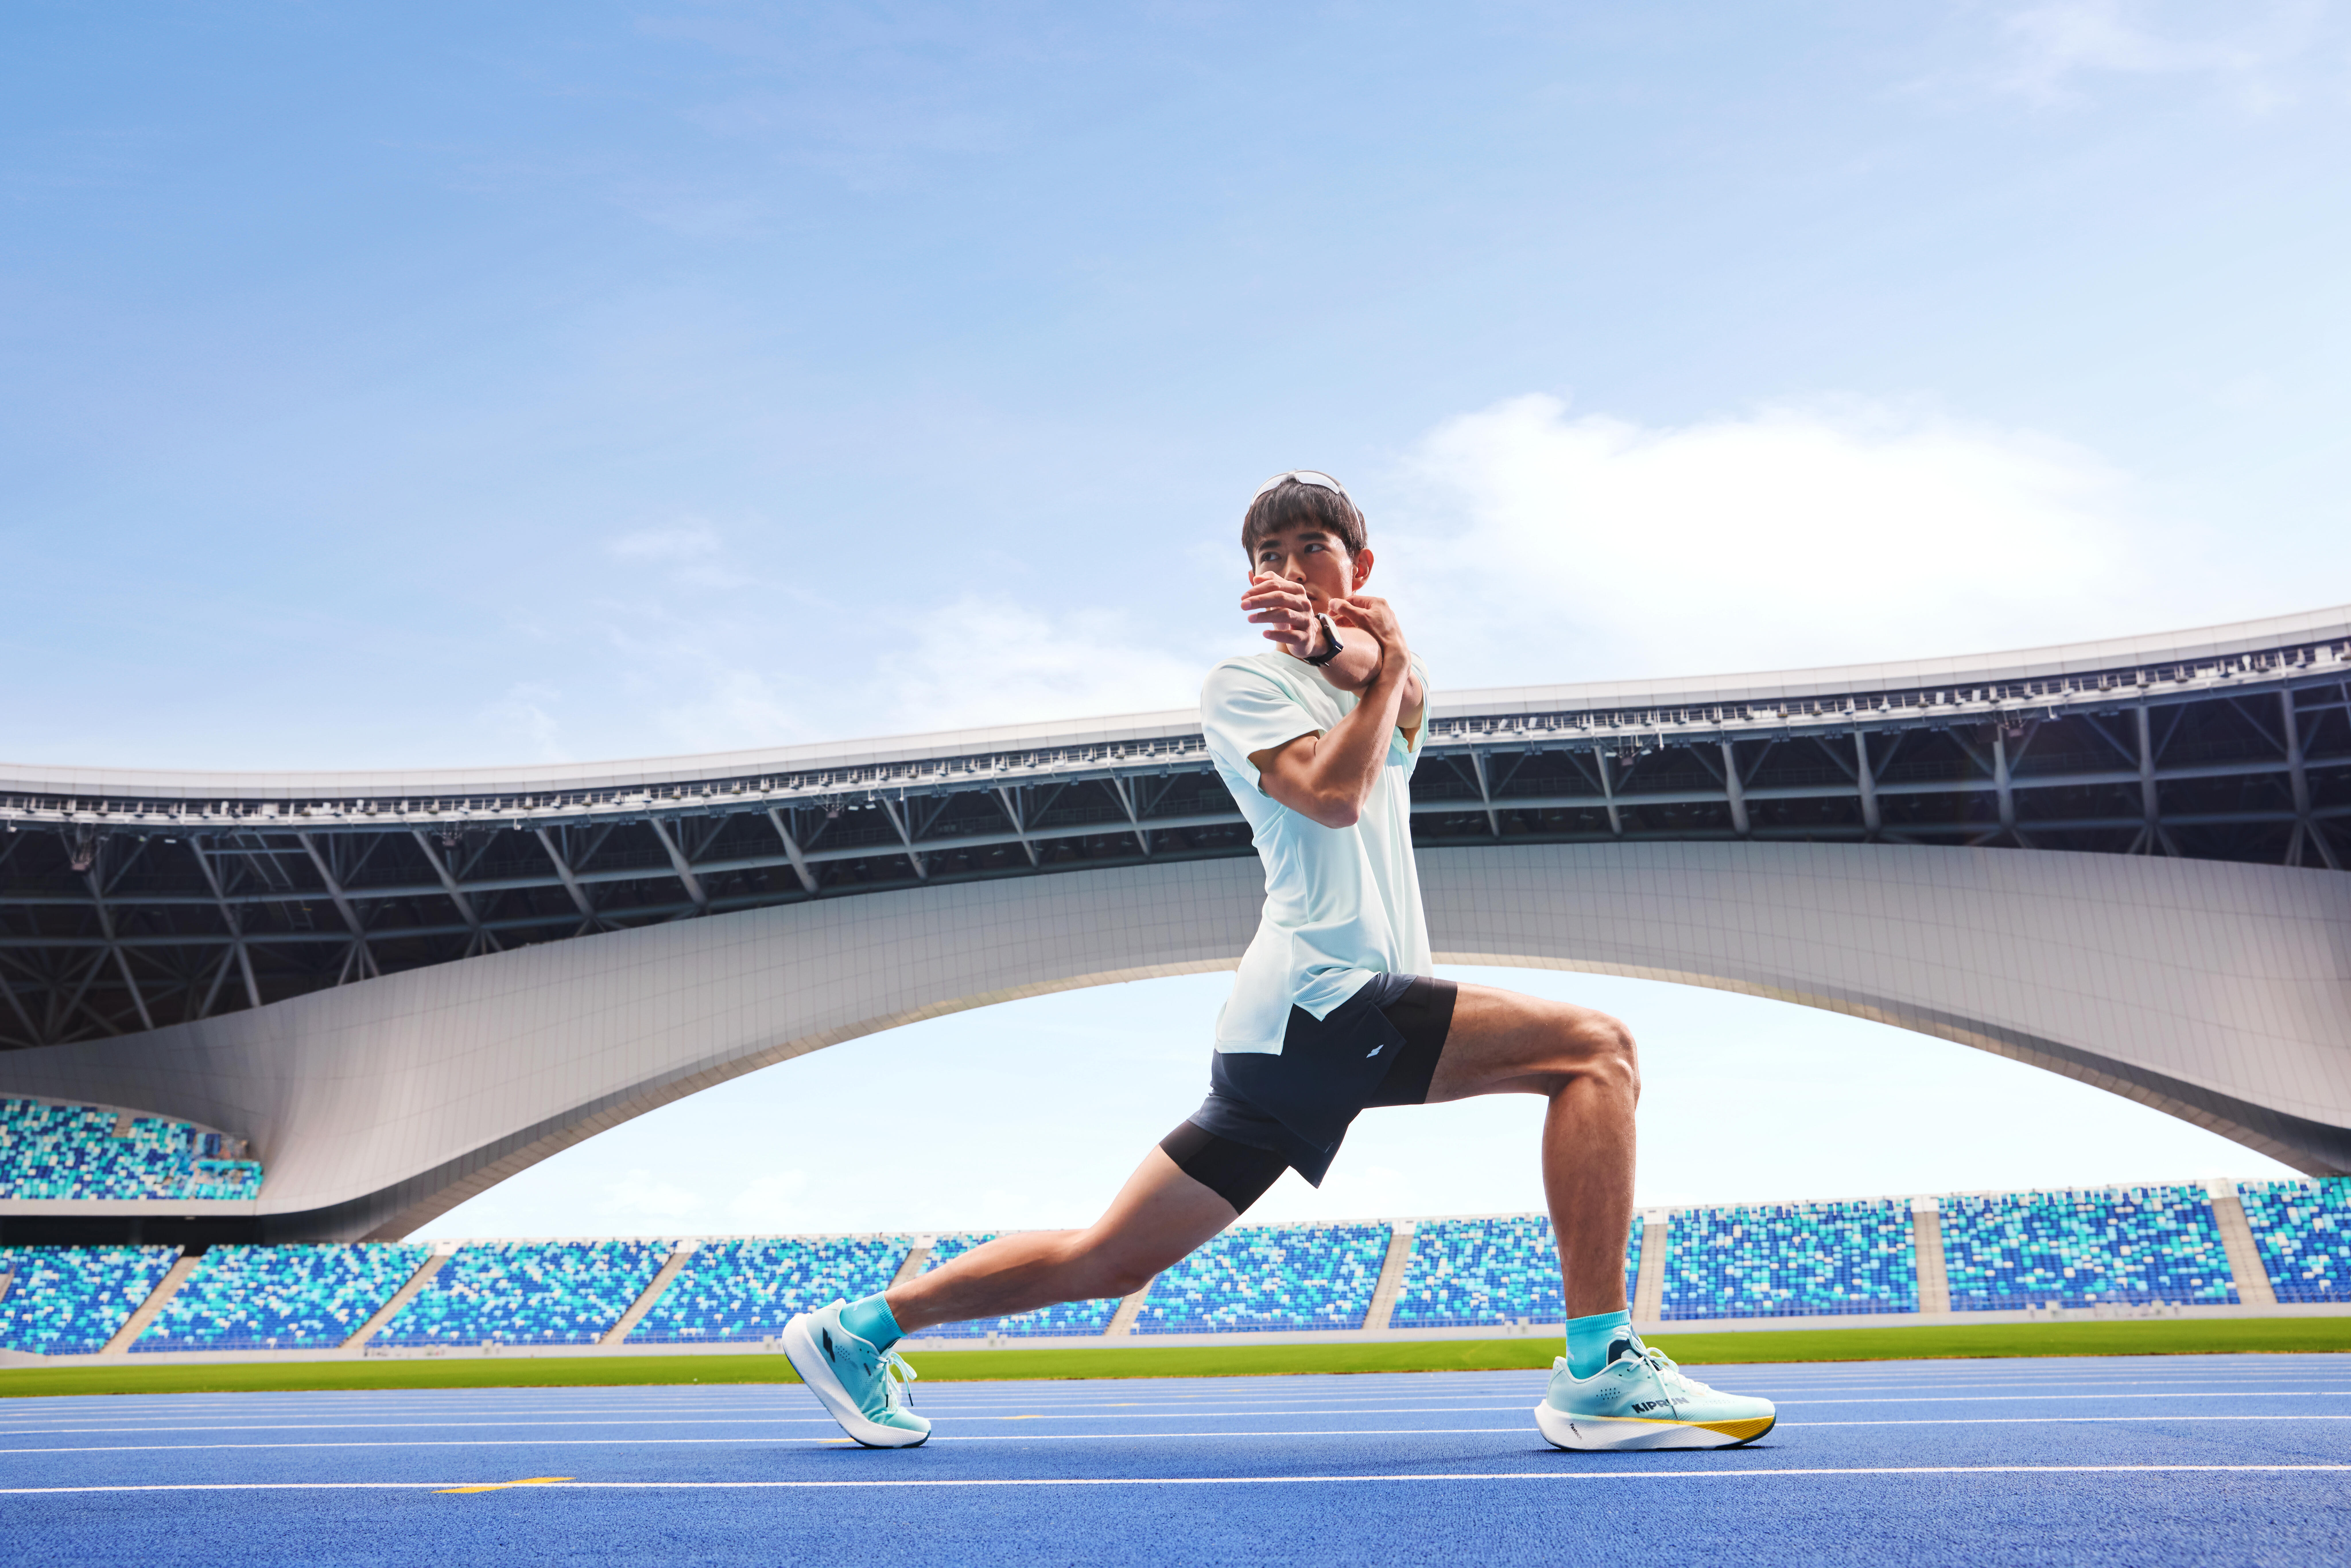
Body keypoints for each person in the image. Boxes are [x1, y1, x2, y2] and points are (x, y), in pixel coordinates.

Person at [780, 469, 1776, 1452]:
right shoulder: (1243, 684)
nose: (1290, 567)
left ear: (1361, 565)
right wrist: (1367, 658)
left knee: (1111, 1258)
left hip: (1290, 1035)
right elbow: (1334, 796)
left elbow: (1393, 678)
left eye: (1313, 548)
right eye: (1270, 555)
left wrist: (1355, 649)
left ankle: (858, 1329)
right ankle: (1602, 1370)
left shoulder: (1386, 682)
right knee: (1597, 1052)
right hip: (1322, 999)